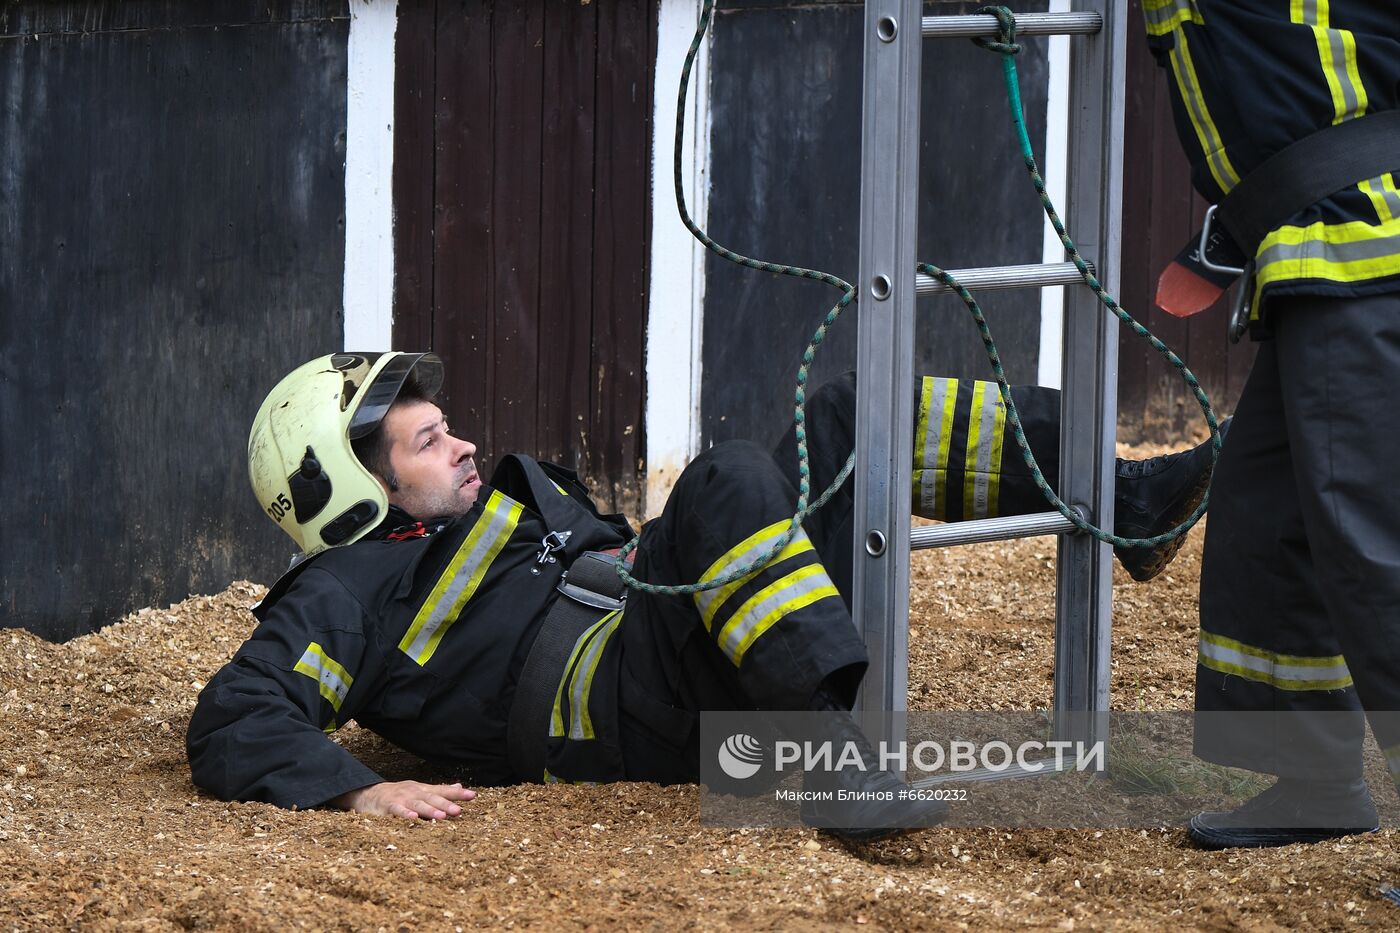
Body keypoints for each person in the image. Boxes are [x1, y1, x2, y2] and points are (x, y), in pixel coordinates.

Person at [188, 352, 1216, 838]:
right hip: (625, 709)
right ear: (350, 487)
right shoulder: (345, 587)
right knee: (726, 475)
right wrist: (360, 790)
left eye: (446, 426)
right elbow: (234, 716)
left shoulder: (482, 509)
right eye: (427, 440)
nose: (460, 443)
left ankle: (1124, 497)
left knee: (846, 411)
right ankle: (826, 760)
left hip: (689, 640)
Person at [1140, 2, 1400, 847]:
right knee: (1268, 521)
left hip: (1369, 250)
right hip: (1322, 248)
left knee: (1375, 553)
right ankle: (1316, 778)